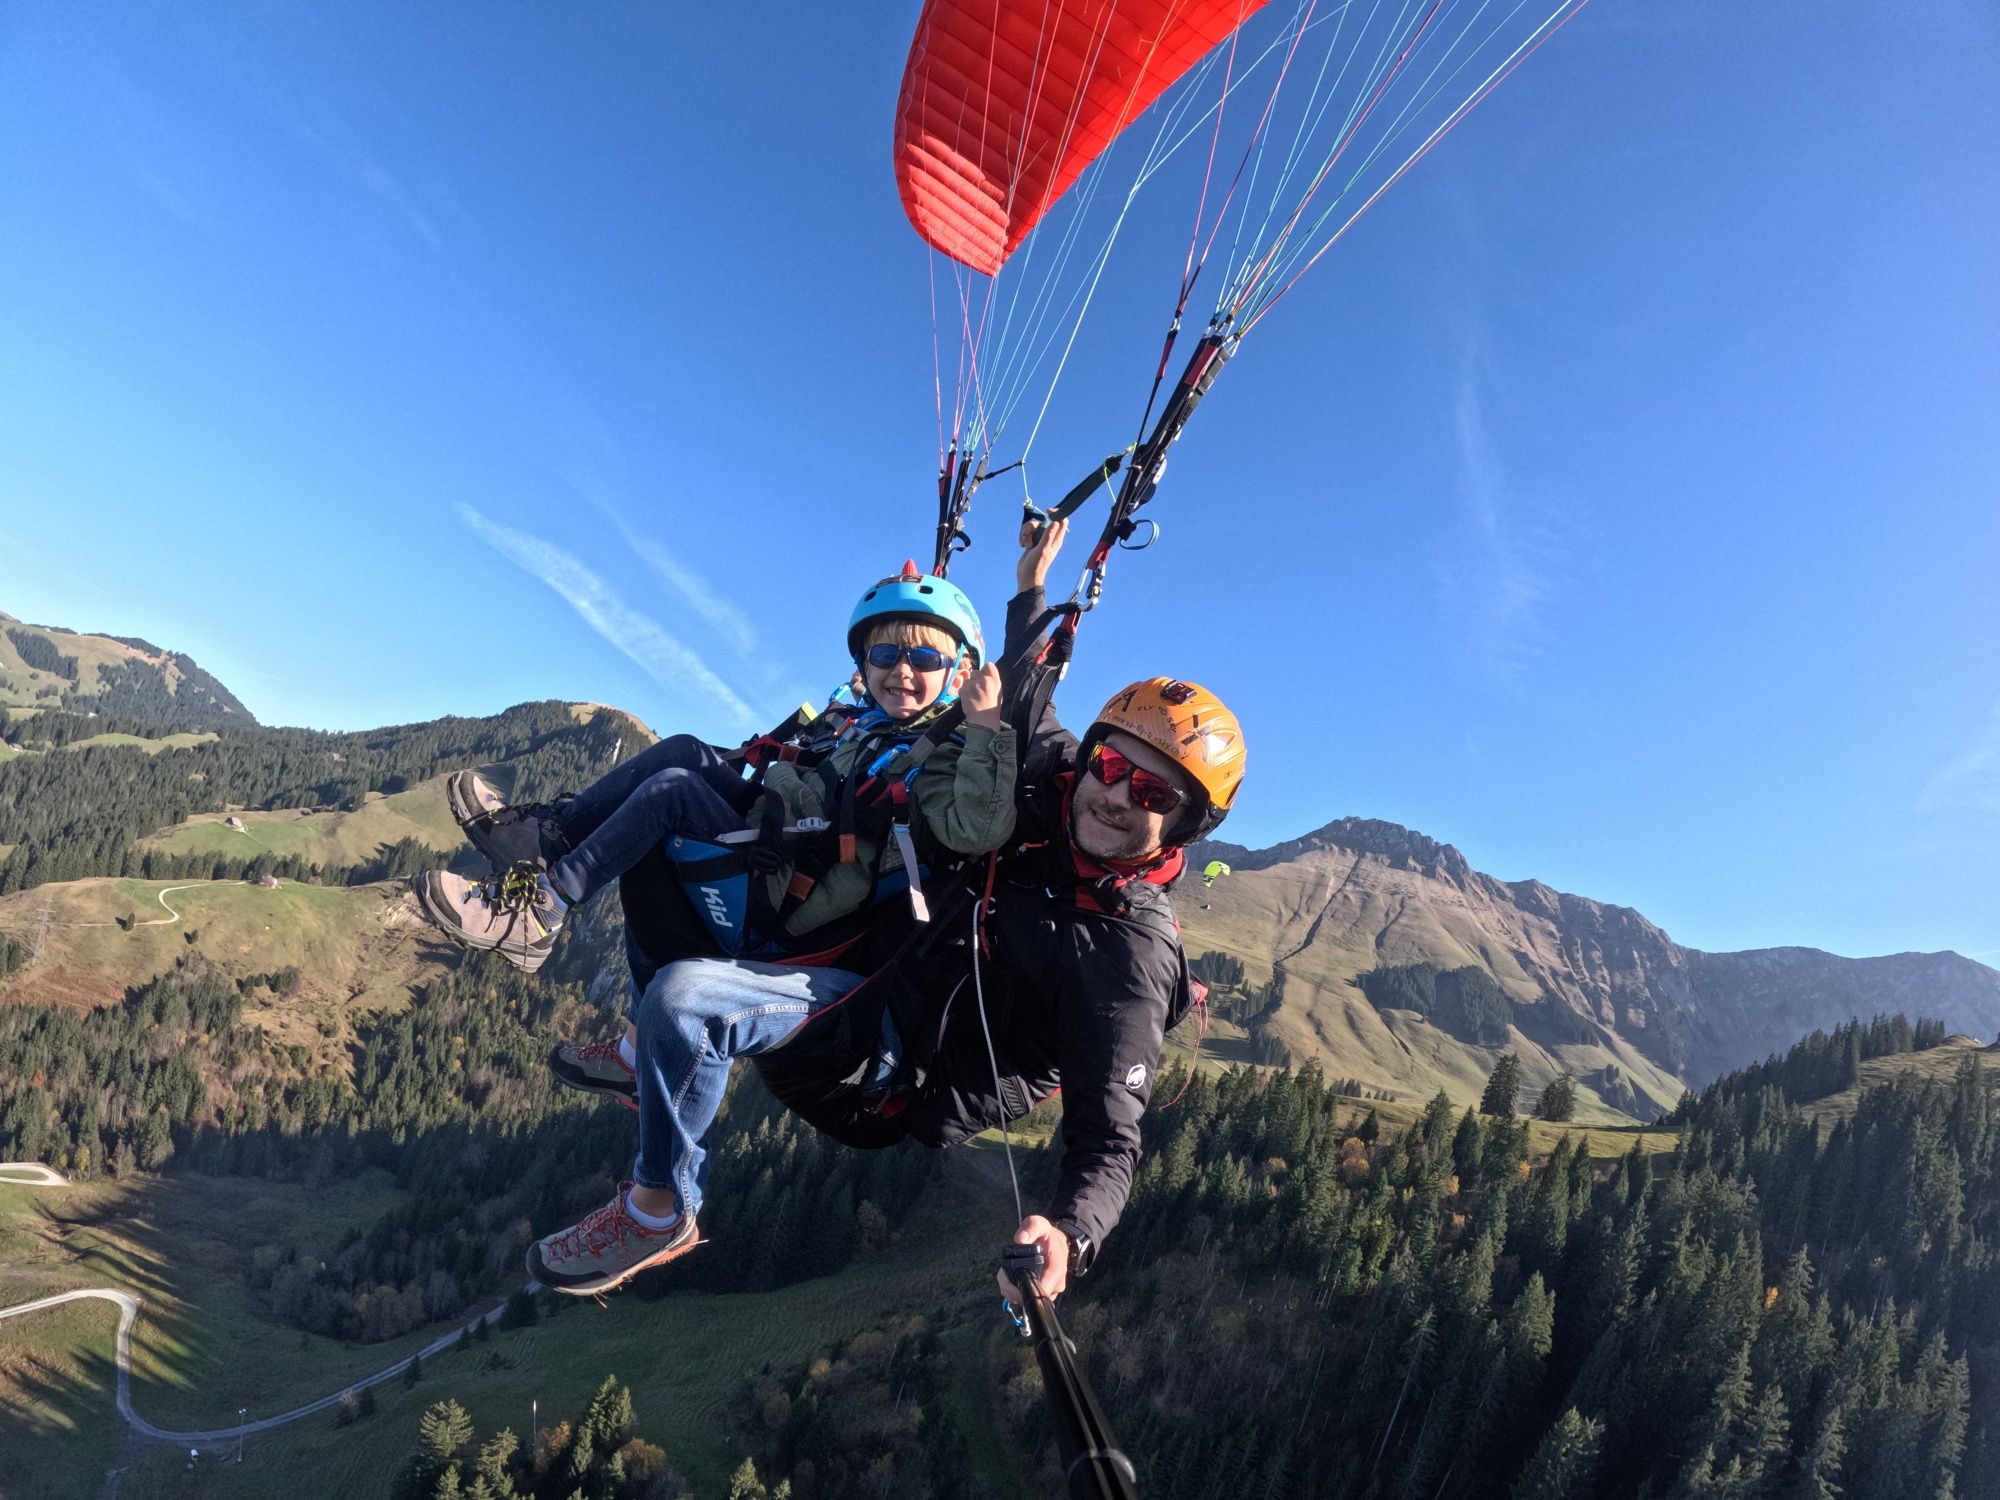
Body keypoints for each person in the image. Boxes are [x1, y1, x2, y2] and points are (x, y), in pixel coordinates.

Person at [524, 521, 1247, 1301]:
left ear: (1185, 824)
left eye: (1151, 794)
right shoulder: (1058, 781)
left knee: (684, 997)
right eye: (1111, 765)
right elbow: (1026, 689)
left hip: (881, 1064)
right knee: (663, 853)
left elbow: (1110, 1136)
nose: (1114, 795)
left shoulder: (1127, 956)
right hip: (868, 962)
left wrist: (1071, 1232)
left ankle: (658, 1207)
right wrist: (1033, 583)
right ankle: (634, 1042)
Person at [412, 564, 1017, 1084]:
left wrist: (988, 726)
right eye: (884, 654)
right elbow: (853, 703)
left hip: (787, 894)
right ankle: (547, 841)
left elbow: (975, 829)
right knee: (686, 751)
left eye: (923, 657)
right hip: (776, 834)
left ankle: (540, 909)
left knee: (672, 793)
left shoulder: (948, 752)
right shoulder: (871, 724)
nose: (901, 670)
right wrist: (901, 588)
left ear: (958, 673)